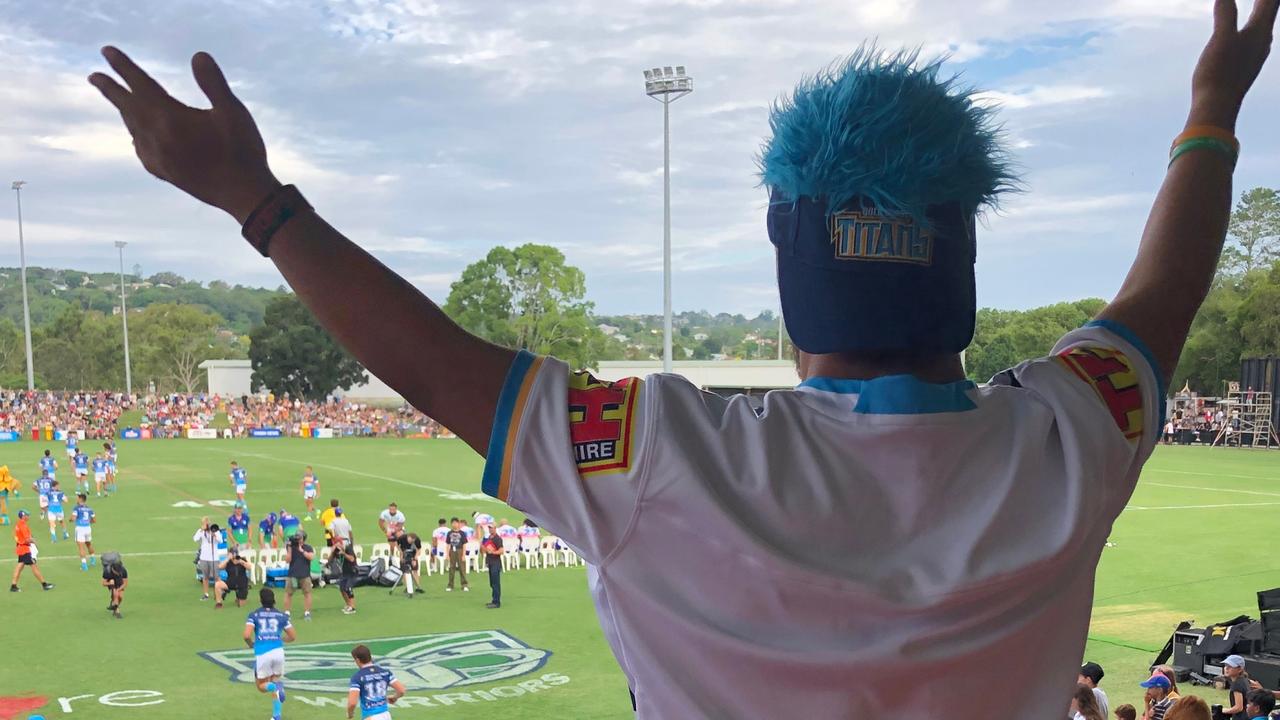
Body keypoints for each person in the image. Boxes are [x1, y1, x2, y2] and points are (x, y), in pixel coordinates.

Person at [88, 6, 1280, 711]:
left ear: (787, 268)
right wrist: (1210, 111)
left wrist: (254, 201)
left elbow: (438, 364)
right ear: (960, 268)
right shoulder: (1067, 440)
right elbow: (1161, 296)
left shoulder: (661, 454)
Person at [244, 588, 294, 720]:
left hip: (263, 653)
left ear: (261, 600)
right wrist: (280, 639)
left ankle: (275, 688)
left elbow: (246, 635)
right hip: (278, 651)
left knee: (261, 686)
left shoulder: (254, 615)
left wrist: (251, 644)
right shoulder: (281, 615)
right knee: (275, 682)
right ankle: (276, 715)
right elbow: (293, 636)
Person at [347, 643, 406, 720]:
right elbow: (401, 690)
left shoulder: (357, 677)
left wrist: (350, 714)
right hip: (386, 715)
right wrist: (395, 697)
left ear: (357, 660)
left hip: (371, 716)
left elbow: (352, 703)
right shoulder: (385, 672)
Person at [10, 510, 54, 592]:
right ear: (23, 516)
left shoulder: (18, 524)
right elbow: (27, 539)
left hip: (20, 547)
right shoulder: (23, 525)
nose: (28, 516)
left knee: (19, 566)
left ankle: (13, 585)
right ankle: (44, 584)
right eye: (27, 515)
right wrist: (33, 541)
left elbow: (16, 536)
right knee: (33, 566)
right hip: (25, 549)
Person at [283, 529, 315, 620]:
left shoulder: (308, 547)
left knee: (307, 593)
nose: (297, 539)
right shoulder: (291, 547)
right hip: (292, 574)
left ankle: (307, 612)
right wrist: (289, 549)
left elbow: (311, 557)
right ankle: (287, 613)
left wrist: (302, 551)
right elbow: (288, 560)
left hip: (305, 575)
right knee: (288, 593)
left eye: (299, 537)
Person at [194, 517, 221, 600]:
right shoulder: (201, 531)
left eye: (207, 523)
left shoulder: (215, 530)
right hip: (204, 557)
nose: (206, 524)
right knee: (205, 577)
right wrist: (202, 530)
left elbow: (220, 540)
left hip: (214, 558)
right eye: (204, 523)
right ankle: (206, 594)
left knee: (216, 577)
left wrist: (214, 534)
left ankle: (218, 593)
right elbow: (195, 539)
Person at [333, 536, 358, 615]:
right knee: (342, 588)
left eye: (338, 544)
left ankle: (352, 607)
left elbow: (352, 559)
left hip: (352, 571)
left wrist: (343, 553)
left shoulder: (348, 548)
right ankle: (348, 604)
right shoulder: (337, 550)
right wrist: (333, 552)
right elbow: (331, 559)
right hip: (344, 572)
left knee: (348, 588)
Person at [394, 529, 423, 594]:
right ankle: (407, 587)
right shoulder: (402, 538)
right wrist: (401, 553)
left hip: (413, 555)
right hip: (404, 555)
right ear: (408, 537)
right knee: (405, 572)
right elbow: (396, 543)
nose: (411, 542)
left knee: (415, 571)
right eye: (410, 541)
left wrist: (415, 558)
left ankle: (418, 587)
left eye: (413, 541)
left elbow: (419, 549)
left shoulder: (417, 540)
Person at [72, 493, 97, 571]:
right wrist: (86, 521)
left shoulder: (76, 508)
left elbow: (73, 518)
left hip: (80, 529)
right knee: (88, 544)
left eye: (77, 498)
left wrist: (70, 519)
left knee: (81, 547)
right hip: (88, 528)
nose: (76, 499)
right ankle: (93, 559)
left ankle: (84, 565)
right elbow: (94, 520)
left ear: (80, 499)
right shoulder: (89, 509)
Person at [1223, 655, 1252, 720]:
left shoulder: (1236, 684)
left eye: (1230, 666)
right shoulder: (1244, 680)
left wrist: (1224, 710)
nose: (1226, 668)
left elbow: (1239, 707)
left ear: (1239, 669)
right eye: (1225, 665)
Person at [444, 519, 468, 592]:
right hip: (452, 551)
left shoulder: (462, 533)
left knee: (462, 568)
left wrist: (464, 555)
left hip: (460, 550)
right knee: (451, 568)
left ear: (458, 524)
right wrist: (447, 554)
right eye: (453, 523)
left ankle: (464, 585)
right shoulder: (449, 533)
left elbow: (464, 544)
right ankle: (450, 585)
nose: (454, 524)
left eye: (455, 523)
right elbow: (448, 544)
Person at [102, 554, 127, 619]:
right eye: (117, 572)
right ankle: (117, 612)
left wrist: (118, 589)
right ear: (113, 569)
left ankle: (114, 604)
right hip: (111, 582)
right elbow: (103, 583)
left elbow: (125, 583)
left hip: (119, 582)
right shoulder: (107, 571)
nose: (118, 573)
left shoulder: (123, 570)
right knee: (115, 595)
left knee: (120, 597)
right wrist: (110, 583)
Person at [482, 529, 502, 609]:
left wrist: (493, 552)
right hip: (490, 562)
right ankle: (494, 600)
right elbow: (484, 548)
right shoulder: (489, 538)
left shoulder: (498, 539)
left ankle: (497, 602)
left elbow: (501, 550)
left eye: (492, 528)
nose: (490, 529)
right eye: (489, 528)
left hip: (495, 563)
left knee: (495, 583)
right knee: (492, 583)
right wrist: (485, 548)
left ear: (495, 528)